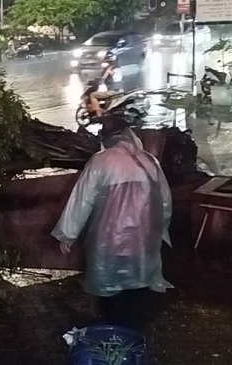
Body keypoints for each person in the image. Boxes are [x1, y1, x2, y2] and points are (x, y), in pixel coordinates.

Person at [51, 116, 173, 331]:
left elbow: (82, 199)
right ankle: (133, 335)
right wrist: (160, 231)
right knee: (137, 289)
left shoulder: (100, 161)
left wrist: (67, 234)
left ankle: (113, 334)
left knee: (110, 291)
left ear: (107, 138)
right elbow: (165, 203)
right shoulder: (150, 161)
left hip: (108, 241)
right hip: (143, 243)